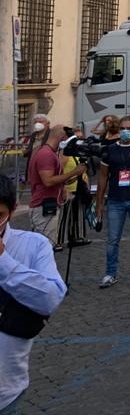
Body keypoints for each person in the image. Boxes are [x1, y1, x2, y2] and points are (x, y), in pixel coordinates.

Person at [0, 174, 67, 415]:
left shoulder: (34, 245)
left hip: (6, 389)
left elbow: (50, 298)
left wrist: (3, 261)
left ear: (12, 210)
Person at [95, 115, 130, 288]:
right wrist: (99, 203)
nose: (125, 132)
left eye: (129, 128)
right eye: (122, 128)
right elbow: (103, 177)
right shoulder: (110, 150)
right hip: (115, 200)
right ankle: (110, 273)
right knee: (112, 239)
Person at [27, 126, 85, 249]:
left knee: (44, 247)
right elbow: (48, 181)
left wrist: (64, 188)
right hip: (44, 204)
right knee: (45, 248)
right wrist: (74, 172)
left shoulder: (47, 152)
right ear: (63, 138)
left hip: (48, 203)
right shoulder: (46, 154)